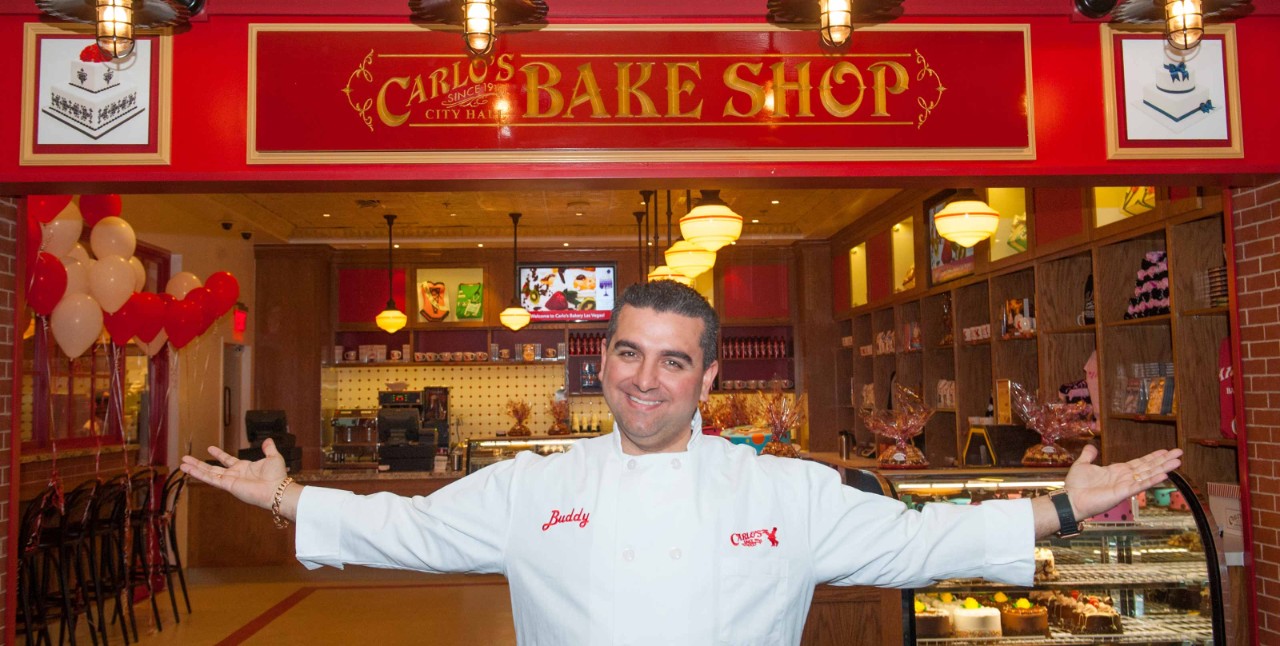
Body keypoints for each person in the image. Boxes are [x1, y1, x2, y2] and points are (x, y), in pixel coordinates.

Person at [182, 280, 1182, 645]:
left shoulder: (786, 490)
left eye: (671, 360)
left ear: (705, 376)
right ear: (603, 363)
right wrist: (287, 494)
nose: (644, 380)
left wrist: (1058, 505)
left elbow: (921, 545)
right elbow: (406, 528)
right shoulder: (538, 485)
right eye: (626, 354)